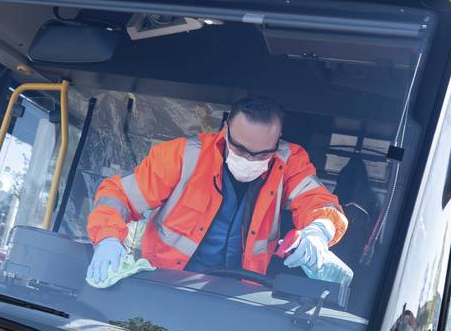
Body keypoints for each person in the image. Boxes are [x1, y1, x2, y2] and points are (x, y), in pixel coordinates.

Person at [86, 96, 348, 286]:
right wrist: (108, 238)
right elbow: (118, 195)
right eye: (242, 150)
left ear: (277, 141)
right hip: (165, 284)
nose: (250, 159)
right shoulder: (181, 156)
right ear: (226, 132)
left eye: (263, 153)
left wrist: (317, 233)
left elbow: (319, 204)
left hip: (238, 296)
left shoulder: (289, 161)